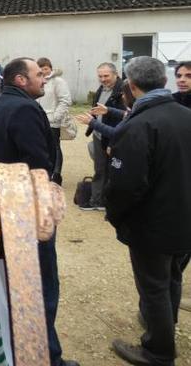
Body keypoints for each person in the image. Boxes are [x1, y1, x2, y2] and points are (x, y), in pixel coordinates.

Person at [0, 58, 78, 366]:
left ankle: (22, 349)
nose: (44, 80)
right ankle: (47, 358)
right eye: (38, 75)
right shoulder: (25, 109)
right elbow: (38, 165)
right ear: (21, 80)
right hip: (26, 211)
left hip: (1, 206)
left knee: (17, 286)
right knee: (41, 289)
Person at [105, 56, 191, 366]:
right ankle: (165, 325)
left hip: (153, 225)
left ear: (130, 86)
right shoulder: (185, 115)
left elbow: (125, 185)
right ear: (166, 82)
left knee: (153, 286)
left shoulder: (139, 124)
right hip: (184, 219)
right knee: (172, 277)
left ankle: (158, 351)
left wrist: (115, 215)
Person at [82, 62, 125, 211]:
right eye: (100, 76)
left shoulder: (122, 91)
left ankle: (104, 201)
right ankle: (98, 200)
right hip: (99, 133)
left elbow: (123, 118)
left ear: (115, 74)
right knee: (100, 168)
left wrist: (112, 142)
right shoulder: (101, 89)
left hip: (112, 136)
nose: (103, 79)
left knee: (112, 169)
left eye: (106, 76)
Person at [36, 58, 72, 184]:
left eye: (46, 68)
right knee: (41, 147)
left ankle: (56, 174)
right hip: (39, 120)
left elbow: (65, 100)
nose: (43, 71)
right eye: (40, 69)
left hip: (52, 120)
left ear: (50, 68)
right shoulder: (37, 81)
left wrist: (55, 116)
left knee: (55, 147)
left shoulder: (58, 81)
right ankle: (45, 173)